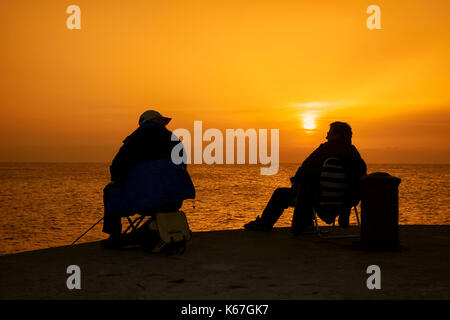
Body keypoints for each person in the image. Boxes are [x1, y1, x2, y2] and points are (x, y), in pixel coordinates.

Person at [244, 121, 367, 235]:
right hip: (345, 201)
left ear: (336, 135)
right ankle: (308, 224)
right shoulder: (354, 154)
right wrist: (348, 201)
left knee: (282, 193)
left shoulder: (325, 150)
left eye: (329, 133)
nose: (326, 137)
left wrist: (295, 182)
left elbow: (305, 170)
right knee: (308, 187)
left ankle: (264, 224)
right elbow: (360, 178)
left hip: (318, 199)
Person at [102, 110, 195, 248]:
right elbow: (183, 169)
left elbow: (117, 169)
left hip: (145, 202)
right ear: (156, 121)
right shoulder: (175, 140)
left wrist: (123, 181)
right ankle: (157, 229)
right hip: (174, 201)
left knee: (109, 190)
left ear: (143, 123)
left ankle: (114, 237)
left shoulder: (133, 141)